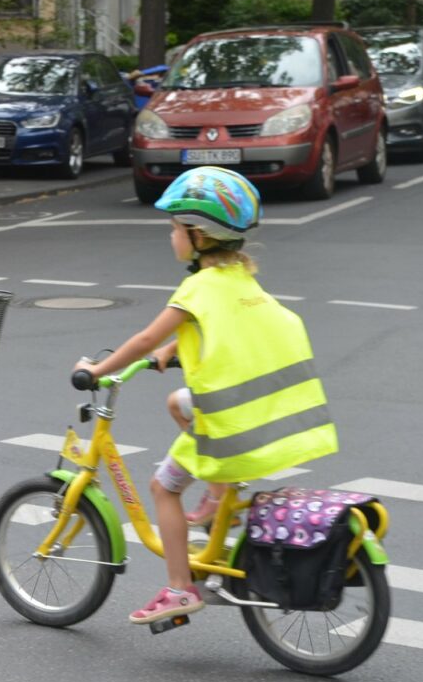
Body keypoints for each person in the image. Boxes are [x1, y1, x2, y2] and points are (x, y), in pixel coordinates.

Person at [73, 166, 337, 625]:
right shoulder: (242, 280)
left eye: (175, 228)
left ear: (199, 235)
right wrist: (173, 352)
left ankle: (179, 588)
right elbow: (224, 325)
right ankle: (220, 500)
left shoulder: (195, 288)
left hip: (232, 428)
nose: (170, 236)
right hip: (272, 419)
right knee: (178, 402)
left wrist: (95, 371)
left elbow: (139, 340)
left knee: (162, 487)